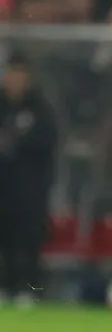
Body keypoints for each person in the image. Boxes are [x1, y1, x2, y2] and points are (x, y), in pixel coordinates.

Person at [0, 56, 59, 305]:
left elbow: (47, 143)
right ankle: (3, 287)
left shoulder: (41, 110)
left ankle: (27, 289)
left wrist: (16, 144)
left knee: (27, 240)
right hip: (3, 186)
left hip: (29, 189)